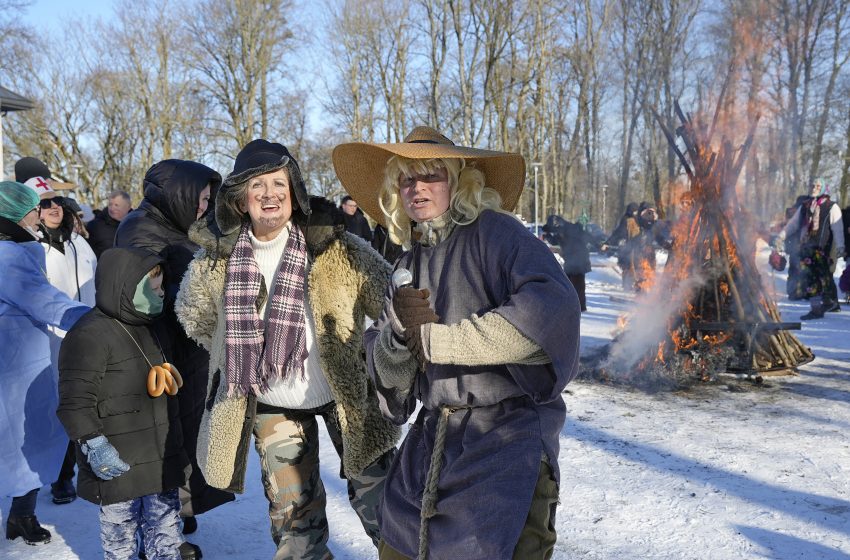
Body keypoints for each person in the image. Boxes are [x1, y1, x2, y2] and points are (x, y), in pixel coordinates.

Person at [332, 126, 581, 559]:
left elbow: (551, 310)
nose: (417, 187)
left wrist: (439, 342)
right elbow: (392, 381)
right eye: (407, 179)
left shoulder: (498, 234)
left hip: (506, 439)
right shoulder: (407, 262)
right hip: (432, 442)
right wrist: (396, 340)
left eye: (432, 175)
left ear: (458, 180)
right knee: (397, 546)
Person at [175, 139, 399, 559]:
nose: (269, 194)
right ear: (240, 200)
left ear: (294, 192)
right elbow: (194, 315)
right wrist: (236, 354)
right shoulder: (216, 259)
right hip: (272, 405)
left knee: (388, 509)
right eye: (256, 186)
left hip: (347, 395)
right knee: (295, 523)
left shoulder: (333, 244)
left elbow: (390, 298)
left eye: (278, 183)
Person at [115, 159, 235, 535]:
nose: (204, 206)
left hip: (187, 349)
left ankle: (179, 509)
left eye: (208, 199)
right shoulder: (140, 229)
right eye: (200, 198)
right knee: (162, 443)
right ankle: (160, 529)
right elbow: (143, 297)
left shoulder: (183, 227)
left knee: (187, 434)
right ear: (178, 194)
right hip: (158, 352)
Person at [57, 247, 197, 560]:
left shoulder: (156, 324)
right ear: (125, 287)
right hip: (118, 458)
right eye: (153, 288)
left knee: (166, 530)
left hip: (161, 455)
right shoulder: (89, 335)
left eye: (161, 287)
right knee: (120, 533)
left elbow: (187, 357)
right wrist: (94, 443)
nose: (161, 294)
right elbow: (74, 402)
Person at [0, 180, 89, 545]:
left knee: (29, 437)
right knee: (25, 439)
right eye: (35, 209)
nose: (40, 215)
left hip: (22, 357)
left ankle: (21, 514)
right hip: (16, 363)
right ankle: (22, 515)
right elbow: (43, 300)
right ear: (19, 213)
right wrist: (94, 319)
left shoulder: (16, 249)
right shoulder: (8, 255)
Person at [21, 176, 98, 506]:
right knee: (55, 409)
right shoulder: (29, 248)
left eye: (57, 201)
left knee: (87, 402)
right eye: (44, 203)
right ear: (32, 210)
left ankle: (84, 469)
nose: (54, 208)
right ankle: (60, 477)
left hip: (89, 336)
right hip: (49, 342)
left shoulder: (79, 242)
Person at [778, 178, 846, 320]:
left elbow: (837, 229)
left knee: (824, 277)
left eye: (818, 186)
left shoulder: (831, 207)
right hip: (806, 249)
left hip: (822, 249)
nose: (814, 188)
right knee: (810, 279)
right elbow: (793, 224)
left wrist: (840, 246)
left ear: (824, 188)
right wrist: (781, 236)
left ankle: (829, 302)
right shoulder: (805, 206)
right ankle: (818, 308)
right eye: (812, 185)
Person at [542, 215, 591, 311]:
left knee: (577, 285)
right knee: (569, 284)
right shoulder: (562, 231)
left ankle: (580, 306)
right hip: (571, 261)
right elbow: (554, 240)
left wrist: (600, 244)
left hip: (579, 260)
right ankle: (573, 305)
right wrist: (547, 235)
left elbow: (589, 237)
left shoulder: (571, 229)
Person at [602, 202, 641, 290]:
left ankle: (637, 286)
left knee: (637, 268)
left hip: (638, 250)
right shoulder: (626, 220)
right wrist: (608, 243)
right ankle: (628, 286)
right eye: (634, 211)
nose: (635, 213)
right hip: (627, 250)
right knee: (628, 268)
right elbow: (618, 234)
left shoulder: (640, 220)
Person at [87, 190, 132, 258]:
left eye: (116, 205)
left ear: (128, 206)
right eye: (110, 204)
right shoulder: (95, 226)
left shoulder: (136, 225)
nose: (112, 208)